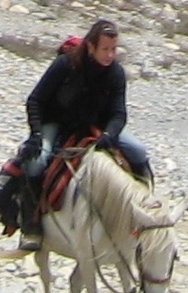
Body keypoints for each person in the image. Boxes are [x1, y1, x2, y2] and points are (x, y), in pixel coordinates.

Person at [16, 18, 150, 242]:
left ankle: (145, 211)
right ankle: (31, 226)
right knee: (36, 161)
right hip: (58, 124)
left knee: (138, 151)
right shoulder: (66, 65)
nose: (109, 55)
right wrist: (36, 134)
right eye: (105, 49)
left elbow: (118, 113)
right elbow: (35, 100)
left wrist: (110, 135)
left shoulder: (116, 73)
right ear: (90, 46)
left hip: (96, 126)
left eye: (113, 50)